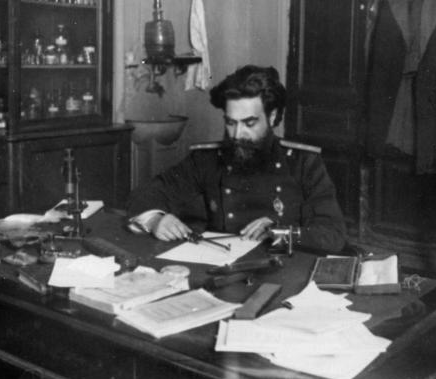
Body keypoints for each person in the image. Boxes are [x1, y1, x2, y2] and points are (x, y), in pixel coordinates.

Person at [126, 65, 347, 253]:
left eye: (249, 123)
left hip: (283, 266)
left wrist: (280, 232)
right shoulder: (206, 159)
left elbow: (333, 234)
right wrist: (156, 220)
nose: (237, 134)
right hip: (222, 266)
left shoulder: (302, 162)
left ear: (272, 117)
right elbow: (145, 194)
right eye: (231, 123)